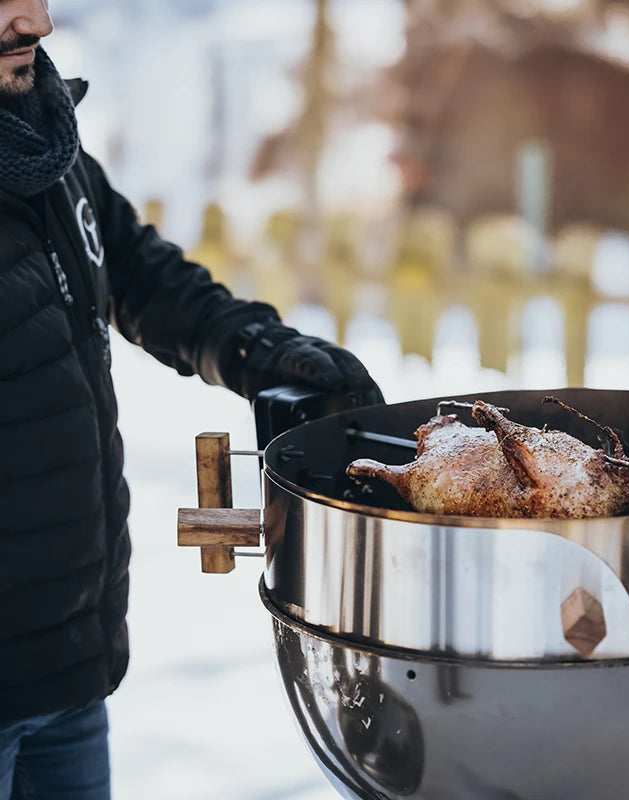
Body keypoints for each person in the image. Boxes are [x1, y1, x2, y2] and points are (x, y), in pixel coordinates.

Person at [0, 2, 383, 797]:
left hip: (71, 666)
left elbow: (138, 273)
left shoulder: (42, 143)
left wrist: (255, 348)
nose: (31, 21)